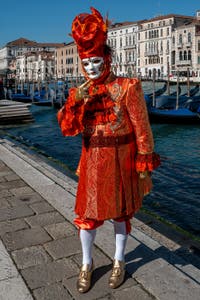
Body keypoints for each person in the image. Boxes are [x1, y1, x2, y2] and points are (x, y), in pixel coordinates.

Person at [57, 7, 160, 293]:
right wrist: (76, 100)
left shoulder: (128, 87)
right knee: (87, 217)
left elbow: (142, 127)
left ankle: (119, 260)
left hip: (122, 160)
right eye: (86, 63)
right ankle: (87, 263)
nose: (91, 68)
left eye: (96, 61)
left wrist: (144, 164)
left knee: (120, 214)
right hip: (91, 161)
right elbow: (67, 128)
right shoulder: (79, 93)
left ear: (107, 58)